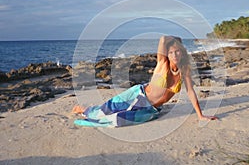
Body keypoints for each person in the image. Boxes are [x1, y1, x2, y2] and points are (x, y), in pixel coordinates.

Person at [72, 35, 218, 127]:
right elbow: (162, 39)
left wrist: (200, 115)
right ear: (167, 54)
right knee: (104, 111)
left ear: (182, 52)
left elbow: (191, 92)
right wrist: (175, 40)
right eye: (171, 52)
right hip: (137, 95)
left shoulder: (184, 70)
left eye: (177, 51)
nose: (174, 55)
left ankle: (88, 111)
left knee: (118, 119)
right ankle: (83, 109)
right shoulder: (162, 63)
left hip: (150, 109)